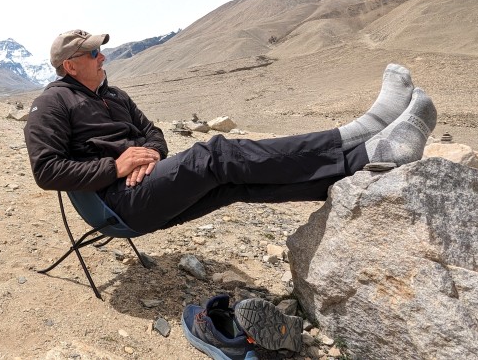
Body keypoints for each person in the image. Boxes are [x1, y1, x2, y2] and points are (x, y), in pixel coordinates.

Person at [24, 29, 437, 235]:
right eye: (93, 52)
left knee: (235, 183)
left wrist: (147, 154)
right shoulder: (52, 103)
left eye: (100, 49)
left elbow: (154, 134)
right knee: (215, 156)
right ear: (70, 65)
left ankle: (365, 161)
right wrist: (115, 167)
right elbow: (46, 171)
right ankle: (359, 132)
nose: (103, 56)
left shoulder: (114, 93)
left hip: (144, 183)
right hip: (116, 204)